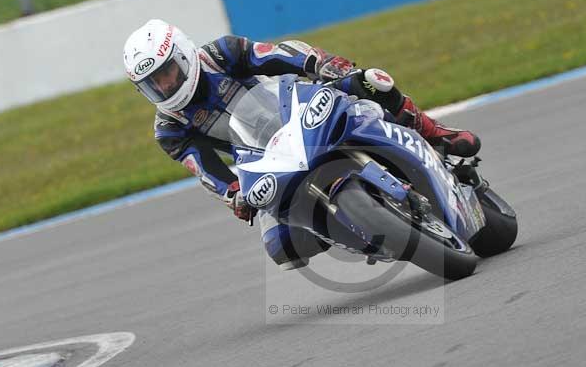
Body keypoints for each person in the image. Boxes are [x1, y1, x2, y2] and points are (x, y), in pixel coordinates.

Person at [123, 19, 481, 270]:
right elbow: (206, 171)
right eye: (153, 83)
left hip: (303, 108)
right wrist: (234, 194)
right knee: (282, 246)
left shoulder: (221, 54)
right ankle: (365, 231)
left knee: (371, 83)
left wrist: (321, 65)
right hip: (267, 160)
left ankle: (435, 133)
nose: (165, 85)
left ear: (183, 56)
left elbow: (277, 55)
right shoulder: (170, 128)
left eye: (167, 72)